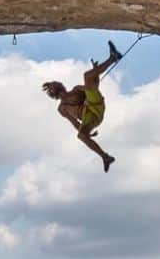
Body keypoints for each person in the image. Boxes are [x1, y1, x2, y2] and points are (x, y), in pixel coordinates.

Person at [42, 40, 123, 172]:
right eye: (52, 84)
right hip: (89, 118)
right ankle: (105, 157)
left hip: (95, 104)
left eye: (54, 81)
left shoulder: (76, 89)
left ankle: (113, 57)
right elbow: (74, 123)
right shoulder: (62, 109)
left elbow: (93, 88)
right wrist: (87, 133)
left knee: (87, 76)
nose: (55, 82)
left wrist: (95, 73)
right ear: (53, 92)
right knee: (80, 135)